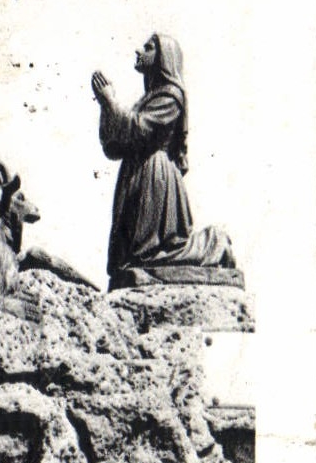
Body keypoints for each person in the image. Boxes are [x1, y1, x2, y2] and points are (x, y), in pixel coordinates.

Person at [91, 33, 235, 285]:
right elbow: (114, 148)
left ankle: (214, 243)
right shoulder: (148, 99)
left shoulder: (170, 96)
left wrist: (111, 101)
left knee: (154, 251)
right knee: (134, 256)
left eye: (148, 47)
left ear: (164, 57)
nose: (139, 51)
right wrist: (106, 107)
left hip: (155, 175)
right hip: (137, 174)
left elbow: (139, 129)